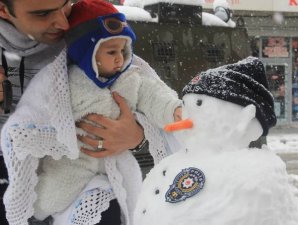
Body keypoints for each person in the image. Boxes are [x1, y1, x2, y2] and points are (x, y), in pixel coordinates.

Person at [0, 0, 176, 224]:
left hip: (82, 173)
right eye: (43, 13)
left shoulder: (87, 32)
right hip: (16, 172)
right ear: (4, 10)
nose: (63, 22)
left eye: (65, 5)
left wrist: (136, 135)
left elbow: (137, 91)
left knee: (105, 211)